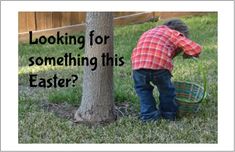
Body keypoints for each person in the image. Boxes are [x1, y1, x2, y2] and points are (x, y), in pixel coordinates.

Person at [131, 19, 202, 122]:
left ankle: (148, 116)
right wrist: (188, 54)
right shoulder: (174, 33)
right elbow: (195, 48)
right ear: (180, 32)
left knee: (143, 90)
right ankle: (168, 114)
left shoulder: (149, 31)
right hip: (159, 65)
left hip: (138, 64)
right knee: (166, 91)